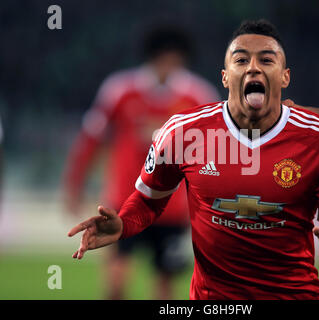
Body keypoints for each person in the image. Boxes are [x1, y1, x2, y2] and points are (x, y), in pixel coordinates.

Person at [68, 20, 319, 299]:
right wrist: (124, 223)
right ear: (225, 77)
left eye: (266, 59)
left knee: (163, 286)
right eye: (241, 59)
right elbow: (146, 201)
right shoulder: (183, 131)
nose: (253, 68)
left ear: (285, 76)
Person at [62, 25, 220, 299]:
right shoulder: (120, 91)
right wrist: (74, 186)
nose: (169, 66)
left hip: (173, 207)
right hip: (125, 201)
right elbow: (91, 140)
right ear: (152, 57)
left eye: (175, 60)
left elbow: (218, 153)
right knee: (117, 280)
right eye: (164, 59)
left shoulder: (198, 96)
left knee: (164, 286)